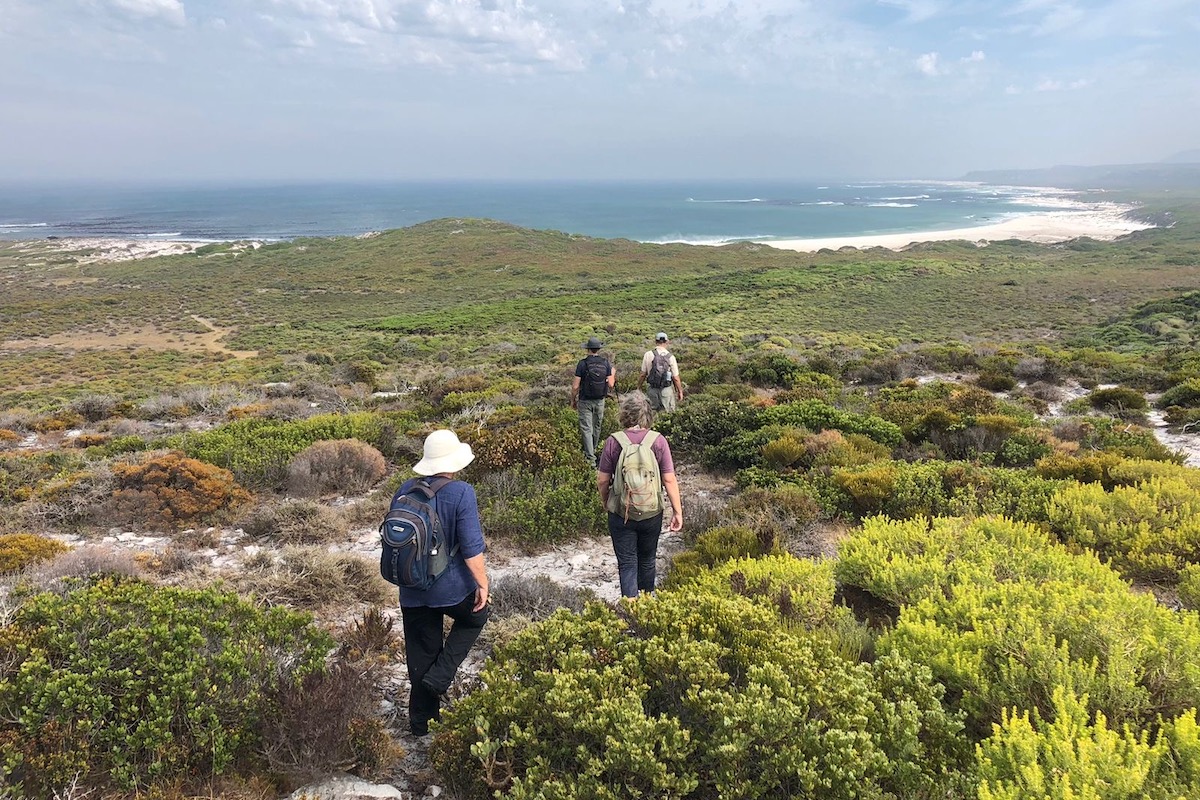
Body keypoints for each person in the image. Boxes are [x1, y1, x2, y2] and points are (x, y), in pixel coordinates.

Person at [394, 429, 490, 736]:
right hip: (450, 588)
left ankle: (421, 725)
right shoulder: (462, 492)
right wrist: (482, 584)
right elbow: (472, 548)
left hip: (411, 586)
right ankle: (441, 676)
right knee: (476, 616)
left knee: (422, 652)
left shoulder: (403, 490)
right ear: (454, 462)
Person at [597, 393, 684, 598]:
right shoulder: (658, 441)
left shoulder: (613, 441)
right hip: (651, 511)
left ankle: (631, 611)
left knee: (627, 562)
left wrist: (605, 501)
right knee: (647, 559)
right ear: (648, 414)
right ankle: (647, 606)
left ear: (625, 414)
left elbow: (602, 480)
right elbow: (669, 480)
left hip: (621, 512)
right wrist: (677, 512)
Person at [571, 336, 615, 466]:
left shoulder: (582, 364)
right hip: (600, 400)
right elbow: (611, 384)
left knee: (586, 428)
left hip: (585, 401)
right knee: (597, 427)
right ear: (598, 349)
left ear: (588, 349)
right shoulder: (605, 363)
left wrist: (573, 400)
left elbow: (575, 386)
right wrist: (613, 373)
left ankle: (590, 459)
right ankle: (593, 451)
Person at [638, 331, 683, 414]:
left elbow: (643, 375)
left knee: (652, 414)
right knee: (668, 414)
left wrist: (639, 388)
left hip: (652, 390)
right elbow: (676, 378)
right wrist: (680, 391)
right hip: (666, 390)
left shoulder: (648, 355)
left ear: (656, 341)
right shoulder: (671, 357)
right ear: (667, 342)